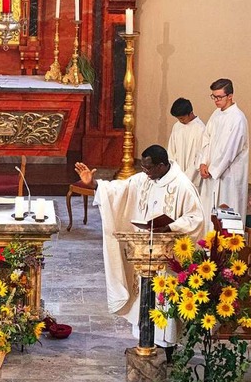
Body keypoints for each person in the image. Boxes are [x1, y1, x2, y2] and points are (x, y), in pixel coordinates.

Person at [75, 145, 204, 351]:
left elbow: (195, 219)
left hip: (168, 260)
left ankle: (165, 349)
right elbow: (120, 190)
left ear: (162, 166)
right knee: (144, 299)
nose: (145, 172)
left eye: (149, 168)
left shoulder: (182, 186)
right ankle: (145, 343)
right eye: (142, 168)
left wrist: (169, 226)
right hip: (145, 254)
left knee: (165, 303)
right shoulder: (144, 179)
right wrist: (94, 184)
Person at [198, 78, 249, 229]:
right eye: (214, 96)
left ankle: (227, 251)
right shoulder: (216, 114)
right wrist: (202, 162)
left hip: (228, 177)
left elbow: (230, 150)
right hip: (210, 173)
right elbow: (206, 139)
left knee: (227, 214)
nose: (216, 100)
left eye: (219, 97)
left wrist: (213, 170)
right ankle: (208, 249)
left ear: (230, 96)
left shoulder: (238, 118)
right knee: (209, 215)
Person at [168, 97, 206, 191]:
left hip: (192, 178)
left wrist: (186, 178)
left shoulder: (200, 129)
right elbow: (171, 151)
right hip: (176, 174)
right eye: (178, 118)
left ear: (190, 113)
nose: (180, 121)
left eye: (182, 118)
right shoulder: (177, 126)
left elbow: (199, 156)